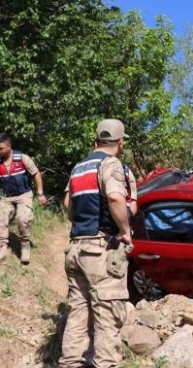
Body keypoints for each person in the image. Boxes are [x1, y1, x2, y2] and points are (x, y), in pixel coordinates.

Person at [59, 119, 134, 368]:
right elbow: (114, 198)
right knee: (107, 317)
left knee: (78, 314)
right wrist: (125, 231)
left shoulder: (79, 168)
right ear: (120, 143)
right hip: (99, 250)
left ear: (95, 141)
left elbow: (68, 205)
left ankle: (70, 363)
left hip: (75, 248)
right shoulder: (110, 164)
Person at [0, 133, 47, 264]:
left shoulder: (22, 158)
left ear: (9, 147)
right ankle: (2, 249)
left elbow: (36, 173)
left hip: (24, 194)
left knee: (23, 218)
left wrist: (40, 193)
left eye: (1, 148)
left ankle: (25, 246)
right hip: (7, 196)